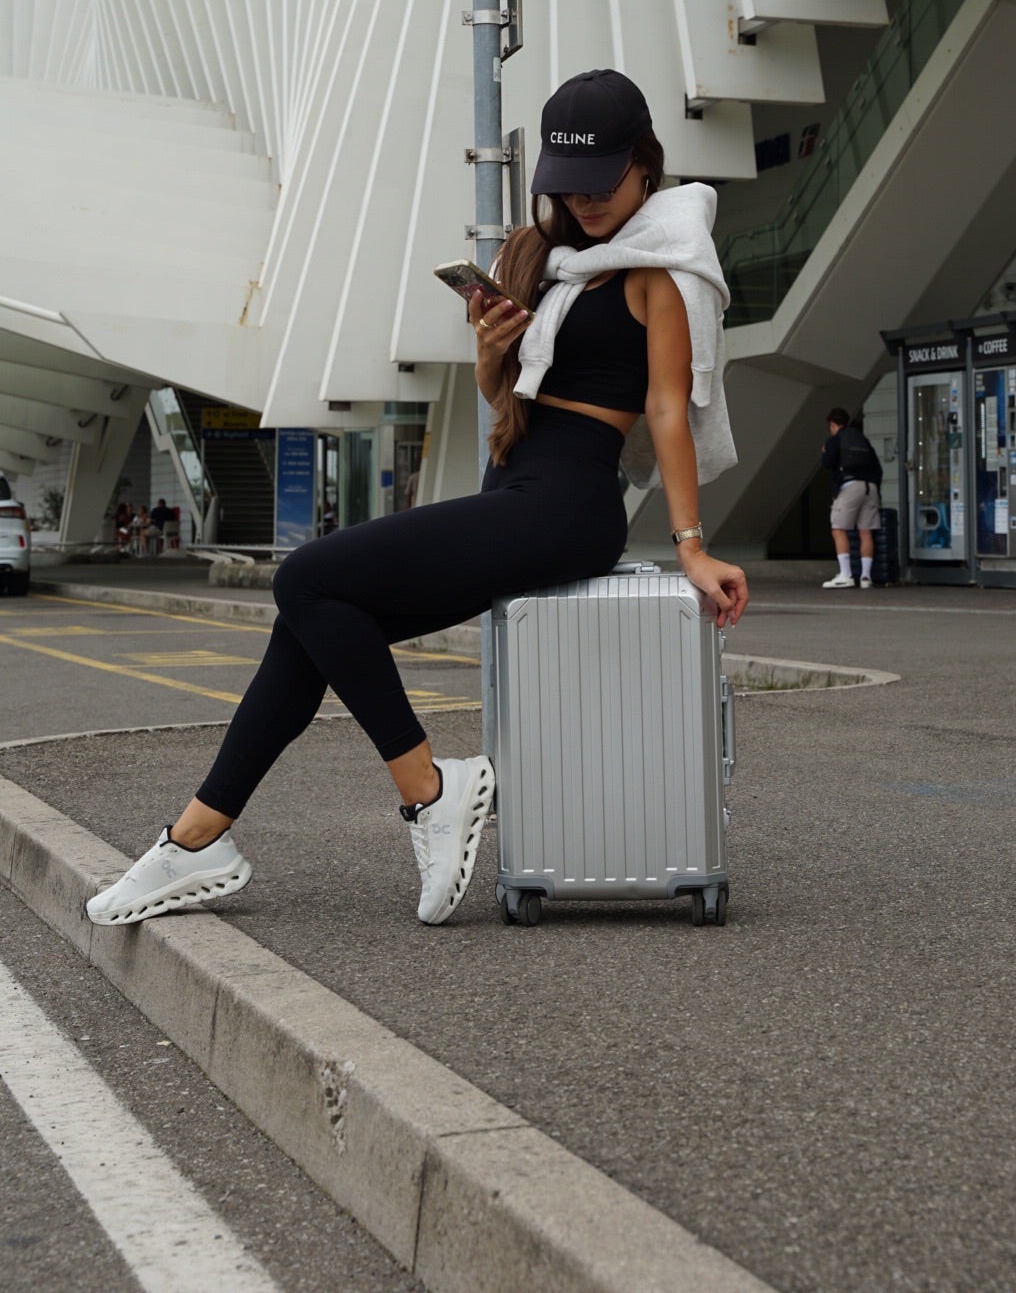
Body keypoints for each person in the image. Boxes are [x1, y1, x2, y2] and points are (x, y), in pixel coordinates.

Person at [86, 69, 749, 933]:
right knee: (311, 625)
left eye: (603, 181)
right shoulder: (543, 259)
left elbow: (666, 406)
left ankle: (430, 792)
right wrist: (490, 353)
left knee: (306, 579)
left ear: (645, 164)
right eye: (569, 184)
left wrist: (691, 542)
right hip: (516, 485)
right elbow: (506, 398)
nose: (585, 200)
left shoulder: (660, 267)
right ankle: (195, 839)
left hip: (569, 504)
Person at [821, 408, 882, 590]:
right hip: (870, 488)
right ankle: (866, 577)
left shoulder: (835, 440)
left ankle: (846, 575)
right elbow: (878, 468)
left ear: (833, 424)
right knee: (866, 531)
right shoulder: (862, 440)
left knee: (838, 529)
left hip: (849, 486)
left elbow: (827, 462)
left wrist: (824, 452)